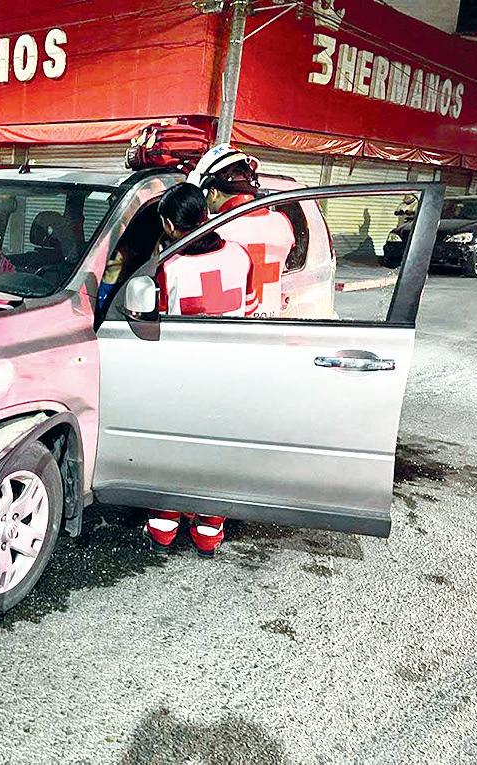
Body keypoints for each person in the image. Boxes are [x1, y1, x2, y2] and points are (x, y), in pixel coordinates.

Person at [143, 183, 252, 556]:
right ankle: (208, 530)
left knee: (175, 450)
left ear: (169, 225)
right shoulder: (239, 254)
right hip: (231, 374)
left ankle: (164, 527)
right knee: (218, 454)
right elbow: (251, 310)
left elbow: (153, 323)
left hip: (184, 376)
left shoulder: (169, 266)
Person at [188, 144, 295, 318]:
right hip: (271, 324)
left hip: (229, 325)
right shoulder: (282, 222)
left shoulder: (211, 229)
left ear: (213, 193)